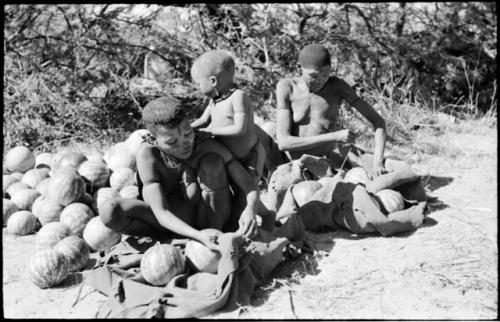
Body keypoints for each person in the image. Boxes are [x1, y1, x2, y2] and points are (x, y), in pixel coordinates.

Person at [270, 44, 426, 212]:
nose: (321, 80)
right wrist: (333, 137)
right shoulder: (287, 87)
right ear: (298, 68)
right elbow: (284, 143)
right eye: (314, 75)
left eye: (326, 74)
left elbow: (378, 122)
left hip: (325, 164)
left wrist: (378, 162)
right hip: (294, 163)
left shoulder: (337, 86)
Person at [100, 95, 261, 250]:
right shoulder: (149, 155)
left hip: (209, 219)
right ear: (155, 140)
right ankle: (172, 240)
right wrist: (197, 236)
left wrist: (250, 209)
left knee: (212, 163)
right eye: (172, 142)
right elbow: (161, 212)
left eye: (187, 133)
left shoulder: (205, 144)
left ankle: (215, 234)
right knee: (110, 210)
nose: (184, 143)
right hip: (166, 222)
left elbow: (248, 184)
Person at [190, 50, 275, 227]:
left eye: (199, 84)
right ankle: (264, 214)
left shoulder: (238, 97)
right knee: (238, 193)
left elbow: (240, 128)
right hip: (231, 158)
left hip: (250, 157)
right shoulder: (215, 100)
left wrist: (212, 132)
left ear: (213, 81)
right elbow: (203, 120)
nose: (199, 88)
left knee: (246, 194)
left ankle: (267, 218)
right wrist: (186, 129)